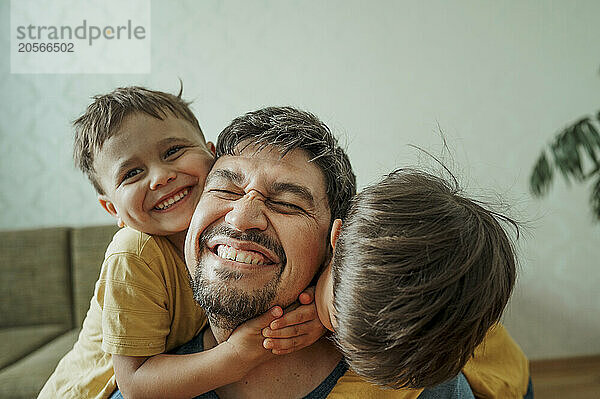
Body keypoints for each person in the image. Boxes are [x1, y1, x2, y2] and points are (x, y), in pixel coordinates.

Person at [180, 106, 530, 398]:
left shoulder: (414, 371)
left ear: (331, 243)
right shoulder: (145, 310)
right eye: (225, 188)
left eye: (286, 203)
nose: (242, 218)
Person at [39, 88, 325, 399]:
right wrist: (237, 355)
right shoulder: (133, 255)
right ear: (113, 209)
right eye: (132, 173)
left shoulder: (228, 235)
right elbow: (135, 384)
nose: (160, 177)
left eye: (173, 151)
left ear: (212, 156)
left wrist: (315, 314)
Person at [311, 168, 534, 397]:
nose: (336, 340)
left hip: (504, 386)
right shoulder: (363, 232)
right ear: (337, 236)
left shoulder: (416, 360)